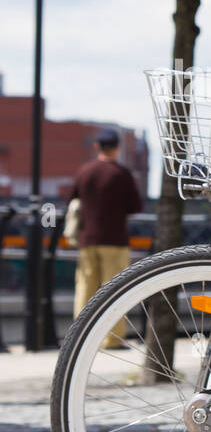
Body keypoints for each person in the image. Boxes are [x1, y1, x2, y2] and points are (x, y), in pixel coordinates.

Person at [71, 129, 143, 341]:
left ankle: (79, 339)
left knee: (85, 288)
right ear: (117, 148)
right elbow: (135, 206)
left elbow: (72, 199)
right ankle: (111, 339)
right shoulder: (121, 174)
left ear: (96, 147)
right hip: (115, 239)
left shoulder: (84, 171)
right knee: (114, 290)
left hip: (87, 238)